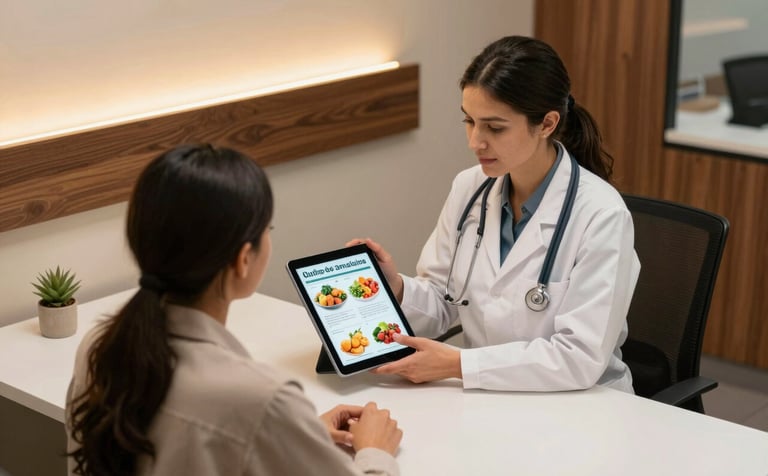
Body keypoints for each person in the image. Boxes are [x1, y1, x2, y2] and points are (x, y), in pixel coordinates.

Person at [66, 144, 402, 476]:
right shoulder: (261, 399)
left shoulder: (99, 346)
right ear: (243, 259)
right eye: (267, 231)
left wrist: (289, 436)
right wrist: (375, 452)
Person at [348, 35, 640, 393]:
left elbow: (578, 358)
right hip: (487, 396)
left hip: (579, 403)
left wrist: (458, 364)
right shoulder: (469, 188)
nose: (475, 142)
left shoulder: (601, 215)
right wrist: (396, 287)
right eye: (469, 121)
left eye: (495, 127)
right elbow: (444, 301)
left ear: (547, 124)